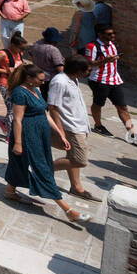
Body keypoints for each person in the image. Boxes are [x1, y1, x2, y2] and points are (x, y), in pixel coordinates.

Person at [4, 64, 91, 225]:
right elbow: (17, 119)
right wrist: (17, 143)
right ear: (29, 79)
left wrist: (60, 133)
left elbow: (44, 113)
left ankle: (9, 190)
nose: (43, 83)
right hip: (27, 135)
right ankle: (68, 210)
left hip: (40, 134)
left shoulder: (35, 90)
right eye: (40, 80)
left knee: (19, 163)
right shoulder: (19, 93)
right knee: (42, 169)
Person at [86, 24, 137, 146]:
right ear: (100, 34)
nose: (113, 35)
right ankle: (98, 125)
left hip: (115, 81)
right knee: (98, 104)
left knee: (123, 107)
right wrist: (104, 61)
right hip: (99, 81)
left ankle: (132, 134)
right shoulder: (92, 46)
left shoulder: (113, 45)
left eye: (113, 33)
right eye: (109, 34)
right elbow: (89, 64)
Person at [47, 56, 98, 201]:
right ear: (77, 70)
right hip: (70, 127)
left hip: (80, 125)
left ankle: (76, 187)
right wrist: (60, 130)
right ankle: (44, 170)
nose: (90, 72)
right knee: (80, 160)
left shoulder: (73, 79)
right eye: (87, 70)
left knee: (73, 157)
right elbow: (53, 106)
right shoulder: (59, 82)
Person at [0, 33, 29, 136]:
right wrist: (5, 70)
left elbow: (17, 64)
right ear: (13, 45)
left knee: (15, 108)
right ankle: (10, 136)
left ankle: (4, 123)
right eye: (21, 48)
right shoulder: (3, 54)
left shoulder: (19, 53)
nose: (22, 51)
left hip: (16, 84)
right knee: (12, 110)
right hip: (5, 84)